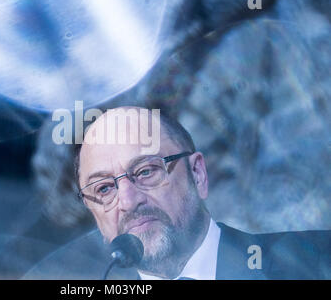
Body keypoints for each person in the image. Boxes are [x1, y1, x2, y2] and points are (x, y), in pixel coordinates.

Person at [71, 106, 330, 280]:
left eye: (147, 171)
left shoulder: (316, 261)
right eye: (104, 188)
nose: (128, 201)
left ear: (198, 173)